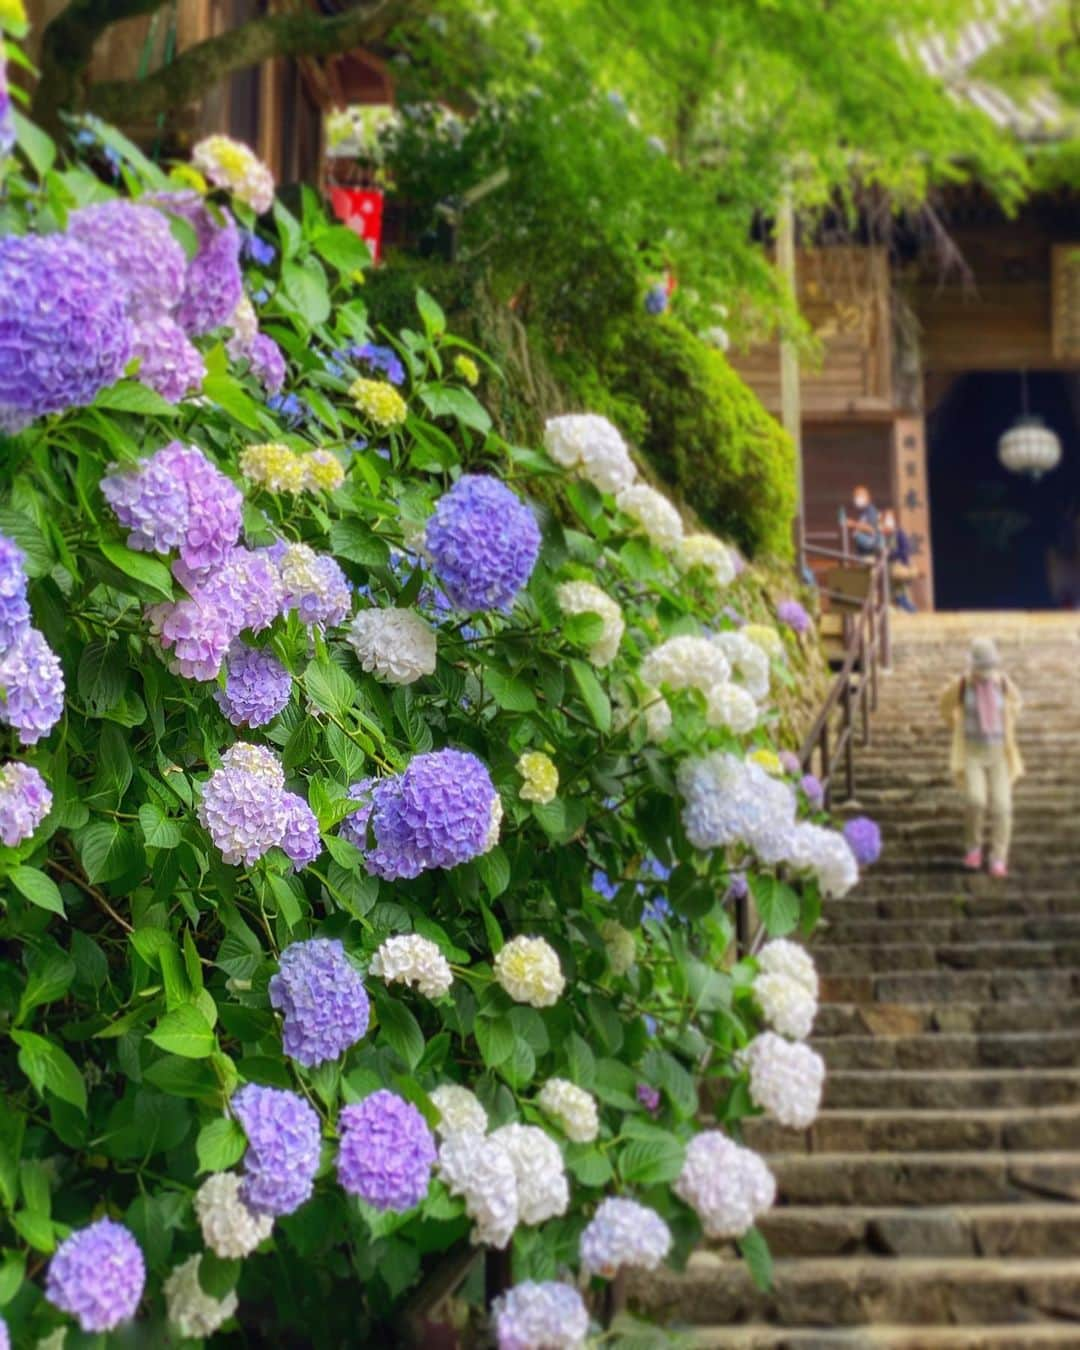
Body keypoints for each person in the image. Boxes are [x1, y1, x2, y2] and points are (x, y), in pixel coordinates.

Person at [939, 638, 1023, 878]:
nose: (985, 674)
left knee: (1003, 806)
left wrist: (1008, 720)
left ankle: (998, 856)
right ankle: (973, 847)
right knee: (976, 800)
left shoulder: (1002, 683)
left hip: (998, 751)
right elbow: (945, 705)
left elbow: (1017, 702)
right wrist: (956, 724)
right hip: (973, 751)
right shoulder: (963, 684)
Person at [880, 508, 918, 613]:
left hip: (898, 571)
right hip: (888, 573)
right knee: (895, 598)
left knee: (901, 597)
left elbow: (905, 550)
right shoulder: (884, 536)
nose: (888, 521)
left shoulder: (899, 533)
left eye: (890, 518)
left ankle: (914, 612)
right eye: (886, 519)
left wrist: (891, 553)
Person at [848, 485, 881, 558]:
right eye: (855, 496)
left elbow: (872, 529)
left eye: (859, 496)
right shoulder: (863, 512)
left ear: (867, 497)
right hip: (863, 552)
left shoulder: (871, 510)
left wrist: (853, 524)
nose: (857, 499)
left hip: (870, 552)